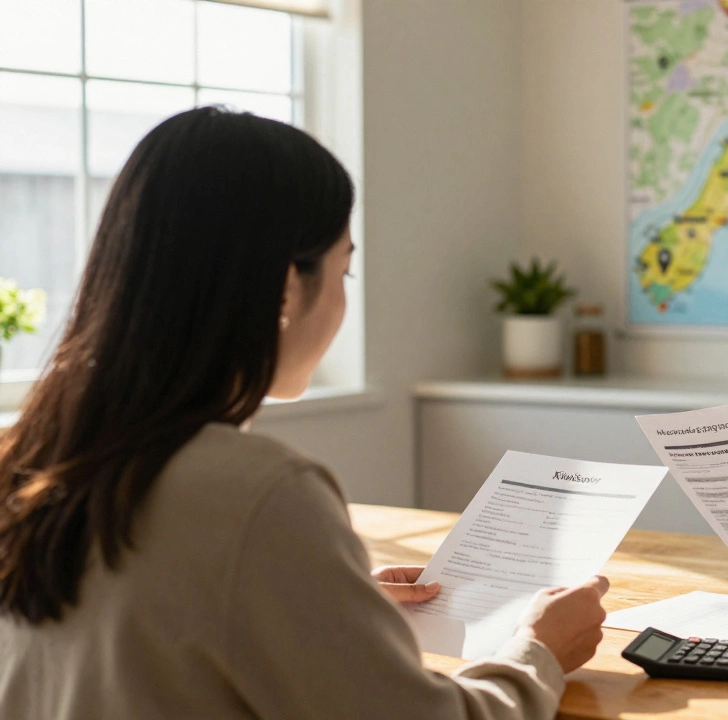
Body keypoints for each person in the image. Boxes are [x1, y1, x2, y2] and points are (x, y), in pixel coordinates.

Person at [0, 107, 608, 720]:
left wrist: (324, 607)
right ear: (287, 288)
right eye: (343, 269)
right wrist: (538, 652)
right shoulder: (259, 492)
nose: (343, 298)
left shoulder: (31, 460)